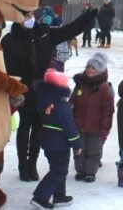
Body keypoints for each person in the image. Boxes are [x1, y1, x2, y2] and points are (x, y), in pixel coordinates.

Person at [1, 7, 98, 182]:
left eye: (31, 15)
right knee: (25, 126)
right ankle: (23, 165)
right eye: (25, 15)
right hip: (21, 88)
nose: (29, 18)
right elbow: (4, 65)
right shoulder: (9, 40)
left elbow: (68, 30)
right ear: (17, 18)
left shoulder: (43, 34)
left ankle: (32, 164)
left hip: (41, 89)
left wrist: (85, 18)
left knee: (39, 127)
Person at [30, 69, 82, 209]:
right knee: (59, 171)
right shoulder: (62, 106)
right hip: (59, 144)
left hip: (48, 142)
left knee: (59, 169)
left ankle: (59, 196)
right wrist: (77, 143)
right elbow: (69, 127)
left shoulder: (44, 102)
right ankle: (40, 197)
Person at [70, 52, 114, 182]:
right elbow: (72, 102)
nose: (90, 70)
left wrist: (105, 129)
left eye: (93, 68)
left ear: (100, 71)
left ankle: (90, 172)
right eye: (88, 67)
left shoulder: (105, 88)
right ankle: (81, 171)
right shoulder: (80, 85)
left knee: (94, 152)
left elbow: (108, 111)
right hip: (79, 125)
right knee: (79, 150)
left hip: (96, 128)